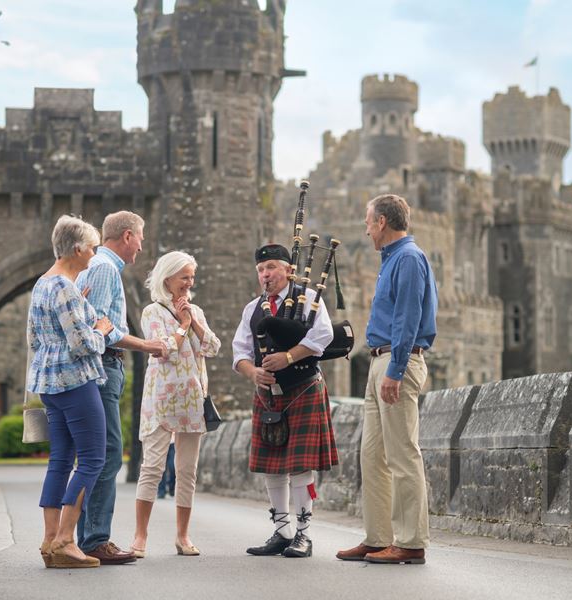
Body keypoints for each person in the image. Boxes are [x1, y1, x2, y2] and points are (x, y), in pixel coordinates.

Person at [336, 194, 437, 565]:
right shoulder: (392, 259)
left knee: (402, 454)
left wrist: (394, 370)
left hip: (398, 362)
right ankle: (378, 537)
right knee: (372, 456)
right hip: (379, 361)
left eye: (368, 221)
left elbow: (408, 318)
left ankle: (411, 541)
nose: (365, 229)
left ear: (381, 222)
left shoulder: (408, 258)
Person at [232, 244, 338, 559]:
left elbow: (323, 336)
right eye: (261, 270)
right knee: (273, 469)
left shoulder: (308, 300)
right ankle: (281, 531)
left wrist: (289, 356)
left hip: (303, 387)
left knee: (301, 468)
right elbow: (239, 352)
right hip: (268, 395)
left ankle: (303, 535)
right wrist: (253, 373)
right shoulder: (252, 309)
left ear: (288, 270)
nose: (266, 275)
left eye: (272, 269)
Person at [74, 211, 167, 565]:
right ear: (127, 236)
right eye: (141, 238)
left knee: (96, 454)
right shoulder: (104, 268)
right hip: (102, 369)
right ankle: (94, 539)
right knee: (107, 453)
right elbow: (100, 328)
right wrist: (148, 345)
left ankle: (83, 537)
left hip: (105, 368)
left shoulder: (102, 268)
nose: (142, 246)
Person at [27, 215, 113, 569]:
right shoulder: (64, 286)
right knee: (93, 457)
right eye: (92, 248)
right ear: (77, 249)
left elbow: (35, 338)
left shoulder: (42, 284)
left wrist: (81, 306)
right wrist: (103, 331)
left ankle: (49, 540)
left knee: (60, 460)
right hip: (75, 382)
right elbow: (81, 343)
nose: (94, 255)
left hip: (48, 384)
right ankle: (65, 539)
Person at [131, 251, 221, 557]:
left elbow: (212, 346)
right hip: (161, 400)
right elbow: (164, 350)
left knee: (186, 471)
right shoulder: (151, 312)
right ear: (167, 278)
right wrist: (182, 324)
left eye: (192, 277)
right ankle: (140, 536)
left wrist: (193, 321)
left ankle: (183, 536)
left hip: (193, 400)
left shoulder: (195, 310)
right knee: (152, 467)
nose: (189, 282)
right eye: (184, 276)